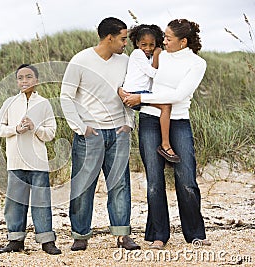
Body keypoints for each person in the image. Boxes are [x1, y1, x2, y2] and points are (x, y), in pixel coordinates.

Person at [123, 19, 210, 249]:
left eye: (169, 38)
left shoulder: (197, 63)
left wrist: (141, 99)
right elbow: (139, 75)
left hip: (179, 122)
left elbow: (179, 95)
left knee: (187, 180)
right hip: (150, 119)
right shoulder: (160, 54)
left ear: (183, 41)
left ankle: (195, 235)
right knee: (154, 181)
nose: (164, 40)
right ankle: (158, 235)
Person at [60, 17, 140, 251]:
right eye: (123, 38)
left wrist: (128, 124)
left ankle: (123, 235)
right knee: (83, 186)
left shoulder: (124, 61)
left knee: (120, 184)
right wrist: (80, 127)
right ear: (109, 38)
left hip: (118, 133)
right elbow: (66, 96)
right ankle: (80, 235)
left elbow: (129, 94)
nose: (125, 43)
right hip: (89, 134)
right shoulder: (81, 60)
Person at [0, 64, 61, 255]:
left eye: (29, 77)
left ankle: (47, 240)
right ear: (16, 81)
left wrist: (35, 127)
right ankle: (15, 240)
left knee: (41, 201)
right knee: (15, 201)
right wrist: (15, 129)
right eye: (20, 78)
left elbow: (50, 133)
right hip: (15, 161)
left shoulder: (44, 103)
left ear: (36, 80)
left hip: (38, 161)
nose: (24, 81)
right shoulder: (9, 102)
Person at [119, 24, 180, 163]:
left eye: (151, 45)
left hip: (142, 93)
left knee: (162, 109)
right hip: (135, 93)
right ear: (137, 43)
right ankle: (165, 145)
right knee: (166, 107)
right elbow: (153, 73)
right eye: (143, 44)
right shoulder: (137, 54)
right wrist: (158, 54)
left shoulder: (149, 57)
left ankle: (164, 143)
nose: (148, 48)